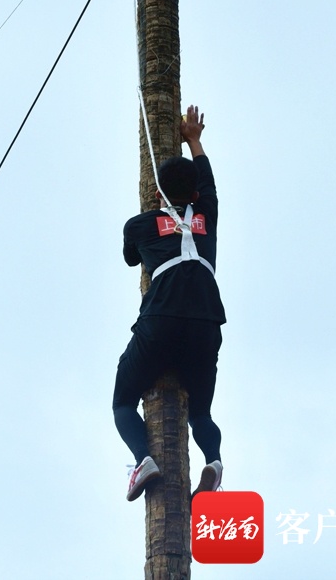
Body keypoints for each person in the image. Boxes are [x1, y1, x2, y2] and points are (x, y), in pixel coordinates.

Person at [113, 104, 226, 502]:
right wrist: (194, 138)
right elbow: (208, 182)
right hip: (207, 322)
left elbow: (132, 259)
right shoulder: (207, 215)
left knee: (124, 399)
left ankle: (144, 460)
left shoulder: (140, 225)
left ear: (158, 189)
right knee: (200, 412)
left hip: (160, 320)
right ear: (194, 193)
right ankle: (213, 460)